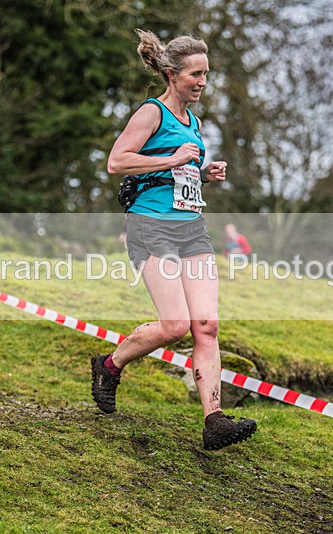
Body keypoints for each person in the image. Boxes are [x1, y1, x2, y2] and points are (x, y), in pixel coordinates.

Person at [91, 29, 257, 450]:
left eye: (206, 74)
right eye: (195, 74)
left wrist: (201, 173)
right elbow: (117, 161)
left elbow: (173, 173)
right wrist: (174, 157)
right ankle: (109, 365)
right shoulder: (151, 113)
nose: (202, 82)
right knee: (175, 325)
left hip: (190, 228)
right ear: (172, 74)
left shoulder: (194, 122)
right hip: (150, 227)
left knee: (206, 325)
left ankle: (214, 420)